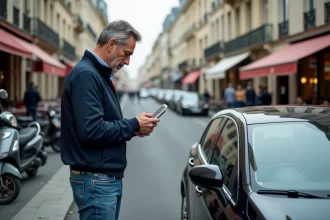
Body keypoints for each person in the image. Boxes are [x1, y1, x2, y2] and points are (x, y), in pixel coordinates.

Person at [60, 20, 160, 220]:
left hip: (101, 178)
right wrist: (132, 124)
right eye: (127, 53)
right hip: (96, 180)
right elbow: (92, 130)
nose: (128, 62)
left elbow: (101, 124)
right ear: (112, 44)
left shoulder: (97, 74)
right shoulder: (87, 75)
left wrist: (134, 129)